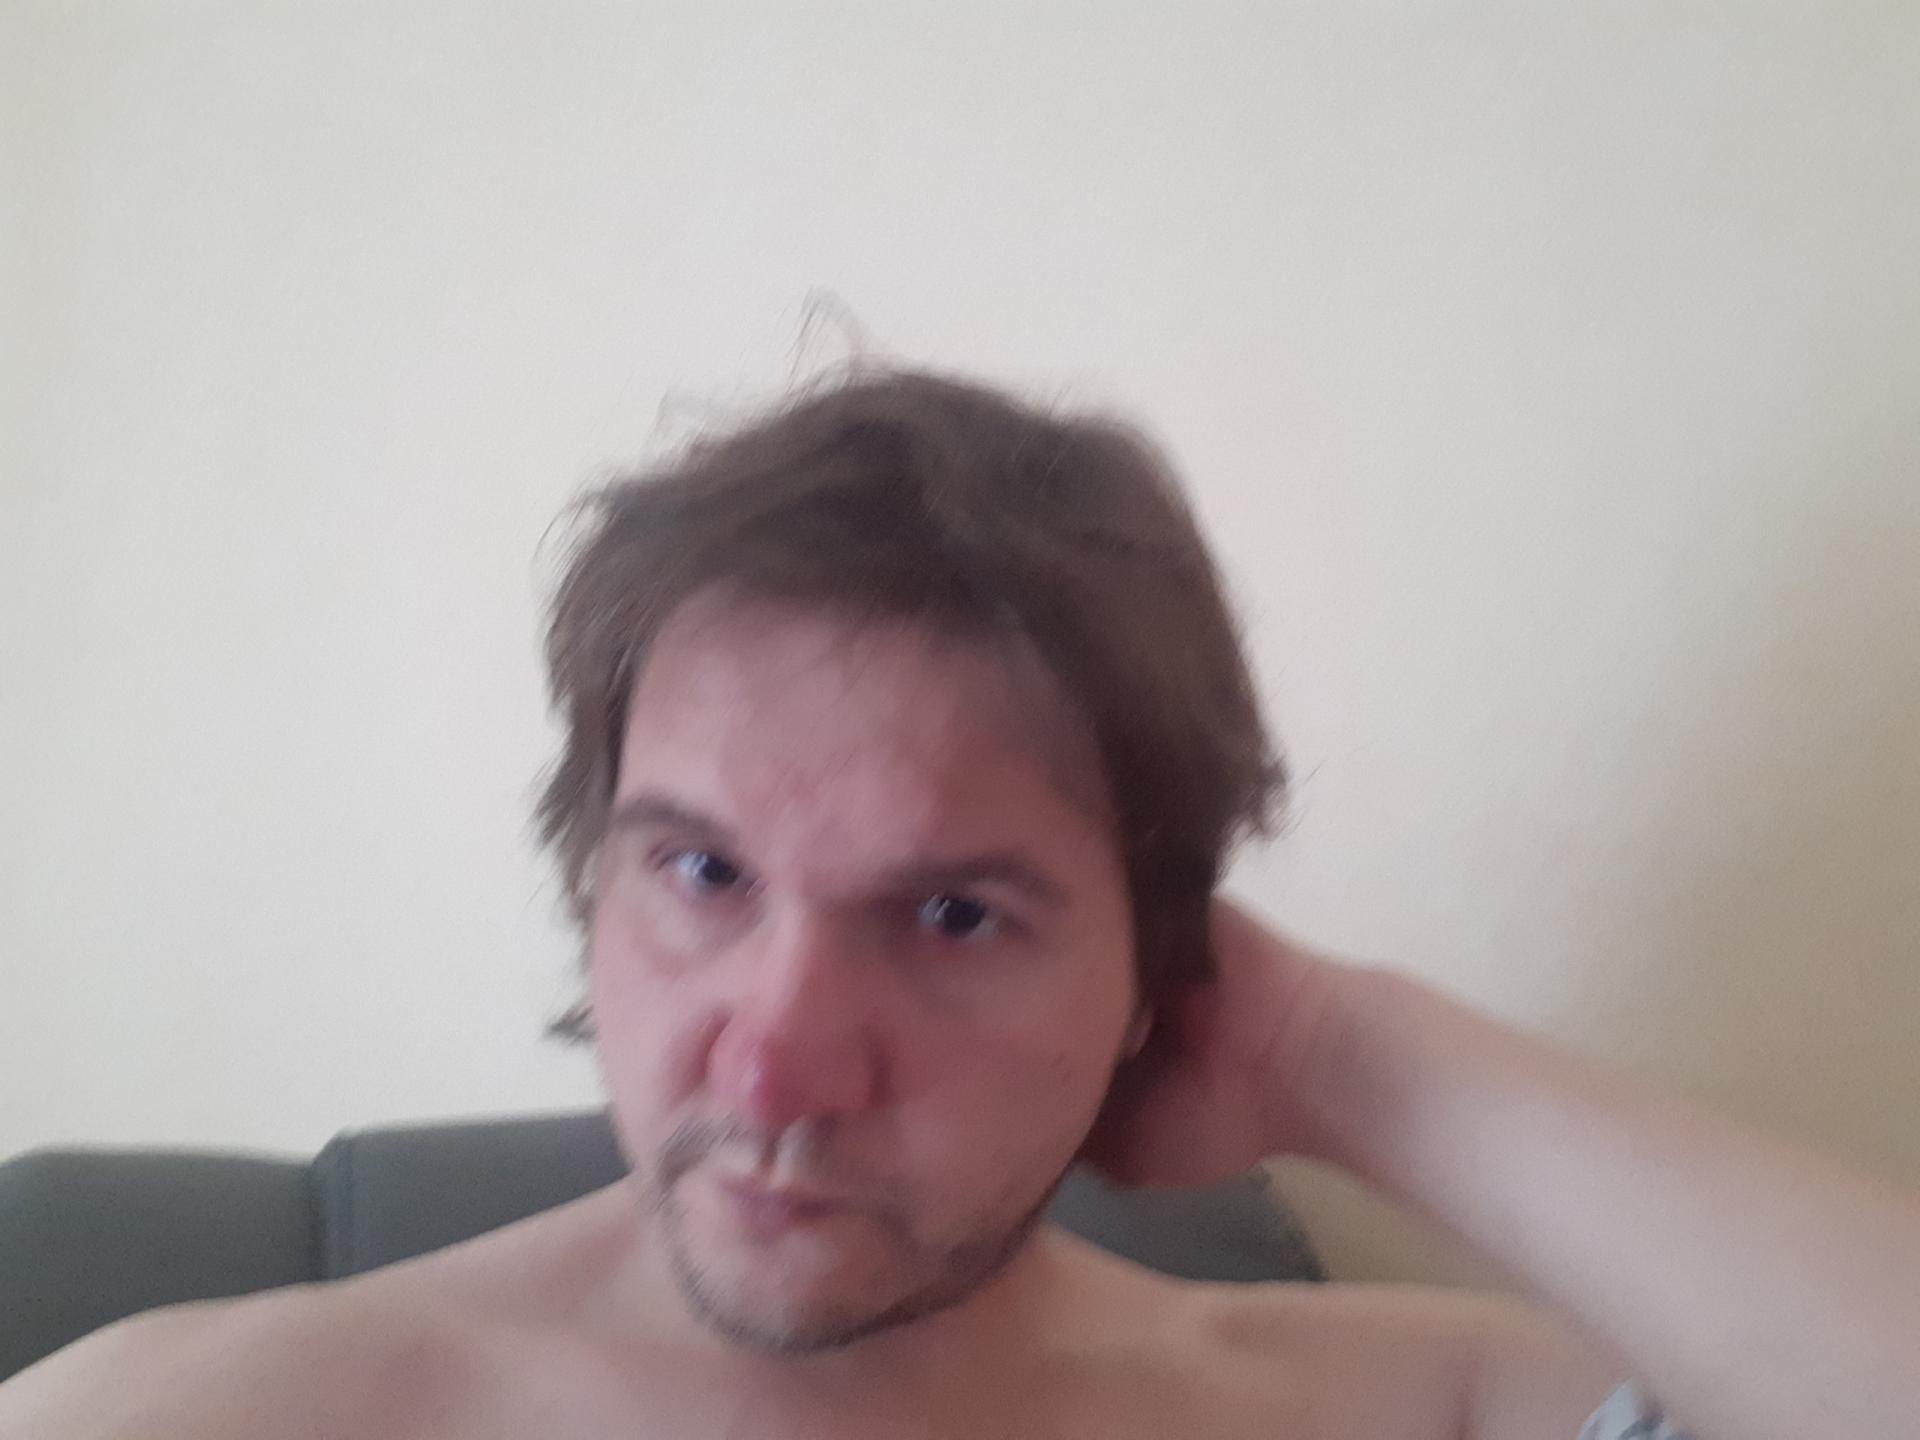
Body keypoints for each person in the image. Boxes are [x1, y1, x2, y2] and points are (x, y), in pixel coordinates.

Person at [3, 368, 1915, 1439]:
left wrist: (1351, 1057)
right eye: (699, 871)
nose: (771, 1066)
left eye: (951, 919)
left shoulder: (1400, 1416)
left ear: (1155, 977)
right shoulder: (227, 1419)